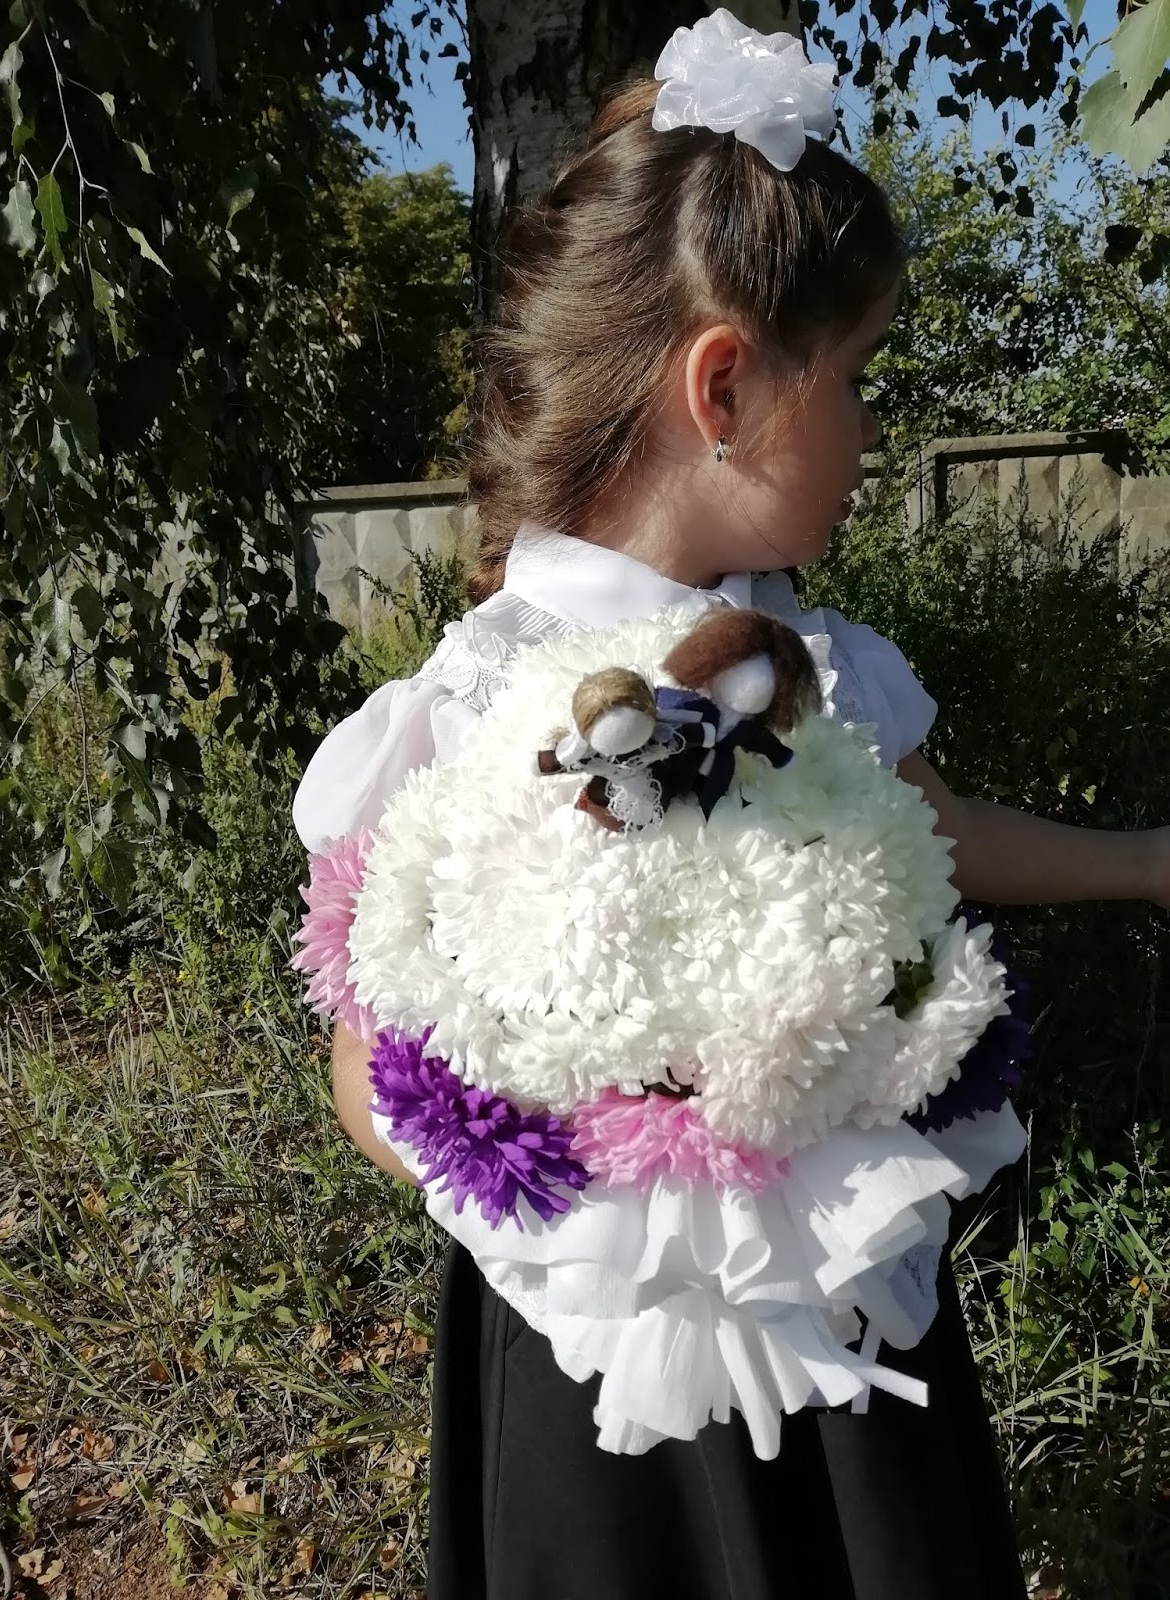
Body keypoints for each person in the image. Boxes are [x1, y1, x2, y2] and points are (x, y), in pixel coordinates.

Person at [292, 18, 1170, 1598]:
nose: (875, 429)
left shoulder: (816, 666)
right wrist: (575, 1188)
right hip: (597, 1362)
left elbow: (944, 832)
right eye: (859, 378)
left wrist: (1149, 862)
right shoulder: (480, 699)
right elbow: (366, 1057)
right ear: (724, 385)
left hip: (835, 1298)